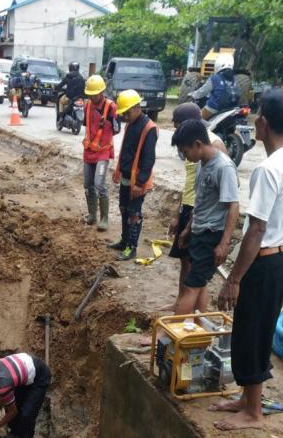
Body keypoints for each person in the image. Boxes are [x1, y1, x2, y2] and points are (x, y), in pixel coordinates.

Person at [212, 89, 283, 431]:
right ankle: (246, 398)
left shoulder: (267, 169)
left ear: (263, 123)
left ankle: (253, 413)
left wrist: (233, 278)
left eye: (258, 116)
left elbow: (256, 228)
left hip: (265, 261)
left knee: (253, 332)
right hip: (281, 259)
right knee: (254, 329)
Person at [173, 119, 239, 315]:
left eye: (185, 152)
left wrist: (224, 243)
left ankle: (167, 339)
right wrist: (188, 229)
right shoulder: (203, 163)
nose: (185, 156)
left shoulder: (223, 167)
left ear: (198, 145)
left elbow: (233, 205)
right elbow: (200, 201)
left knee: (191, 286)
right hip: (200, 230)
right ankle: (199, 328)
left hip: (212, 233)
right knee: (199, 282)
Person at [168, 103, 227, 300]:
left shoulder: (214, 148)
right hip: (192, 209)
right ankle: (181, 302)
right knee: (186, 261)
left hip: (204, 218)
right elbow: (191, 184)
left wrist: (223, 239)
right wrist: (180, 214)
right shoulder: (192, 149)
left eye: (178, 126)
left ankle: (187, 311)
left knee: (197, 270)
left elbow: (226, 196)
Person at [108, 89, 158, 261]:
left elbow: (148, 159)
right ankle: (124, 240)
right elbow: (126, 151)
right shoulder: (131, 125)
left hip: (138, 182)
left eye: (127, 113)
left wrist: (140, 183)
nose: (125, 117)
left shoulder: (149, 128)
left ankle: (131, 247)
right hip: (126, 177)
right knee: (124, 209)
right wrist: (118, 170)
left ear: (137, 107)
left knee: (134, 214)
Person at [82, 74, 120, 231]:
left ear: (101, 92)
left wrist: (109, 122)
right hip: (89, 151)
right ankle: (92, 215)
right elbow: (87, 125)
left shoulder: (111, 107)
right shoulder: (87, 105)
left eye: (94, 94)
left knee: (99, 184)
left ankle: (104, 218)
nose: (92, 97)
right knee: (88, 184)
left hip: (103, 152)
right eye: (89, 94)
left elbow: (117, 129)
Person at [190, 54, 240, 119]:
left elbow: (202, 91)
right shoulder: (234, 79)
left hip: (214, 108)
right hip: (230, 109)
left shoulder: (214, 78)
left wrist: (193, 95)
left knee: (197, 120)